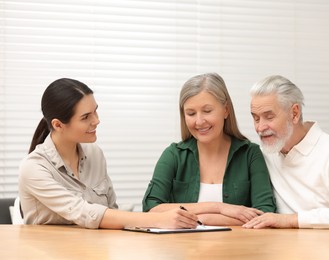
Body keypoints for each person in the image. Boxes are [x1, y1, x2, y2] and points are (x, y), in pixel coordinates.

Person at [18, 78, 199, 229]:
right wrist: (157, 219)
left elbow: (111, 210)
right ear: (58, 125)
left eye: (95, 110)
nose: (97, 120)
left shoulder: (94, 154)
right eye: (85, 117)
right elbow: (84, 213)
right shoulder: (34, 168)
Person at [142, 73, 276, 226]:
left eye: (207, 111)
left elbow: (264, 213)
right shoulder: (173, 155)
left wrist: (203, 219)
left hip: (238, 248)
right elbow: (151, 209)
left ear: (226, 110)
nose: (199, 121)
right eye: (191, 113)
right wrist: (219, 208)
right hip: (184, 248)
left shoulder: (250, 154)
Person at [243, 75, 329, 229]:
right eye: (256, 118)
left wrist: (289, 220)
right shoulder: (265, 153)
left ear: (294, 113)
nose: (260, 128)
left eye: (269, 117)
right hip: (281, 247)